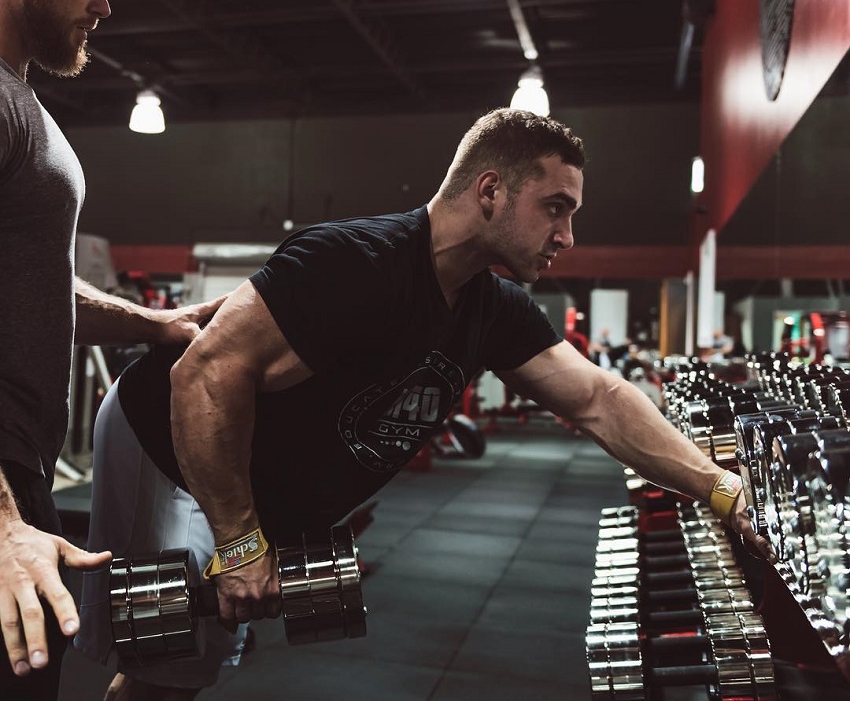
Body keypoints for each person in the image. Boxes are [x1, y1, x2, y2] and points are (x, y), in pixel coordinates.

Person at [75, 108, 772, 700]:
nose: (567, 236)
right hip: (163, 441)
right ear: (492, 190)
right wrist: (240, 540)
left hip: (252, 472)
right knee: (160, 659)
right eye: (555, 208)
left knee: (192, 661)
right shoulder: (355, 261)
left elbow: (600, 397)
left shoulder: (492, 309)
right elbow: (201, 375)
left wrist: (723, 489)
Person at [0, 0, 223, 697]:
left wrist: (156, 325)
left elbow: (38, 288)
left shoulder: (23, 107)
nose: (105, 6)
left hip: (21, 480)